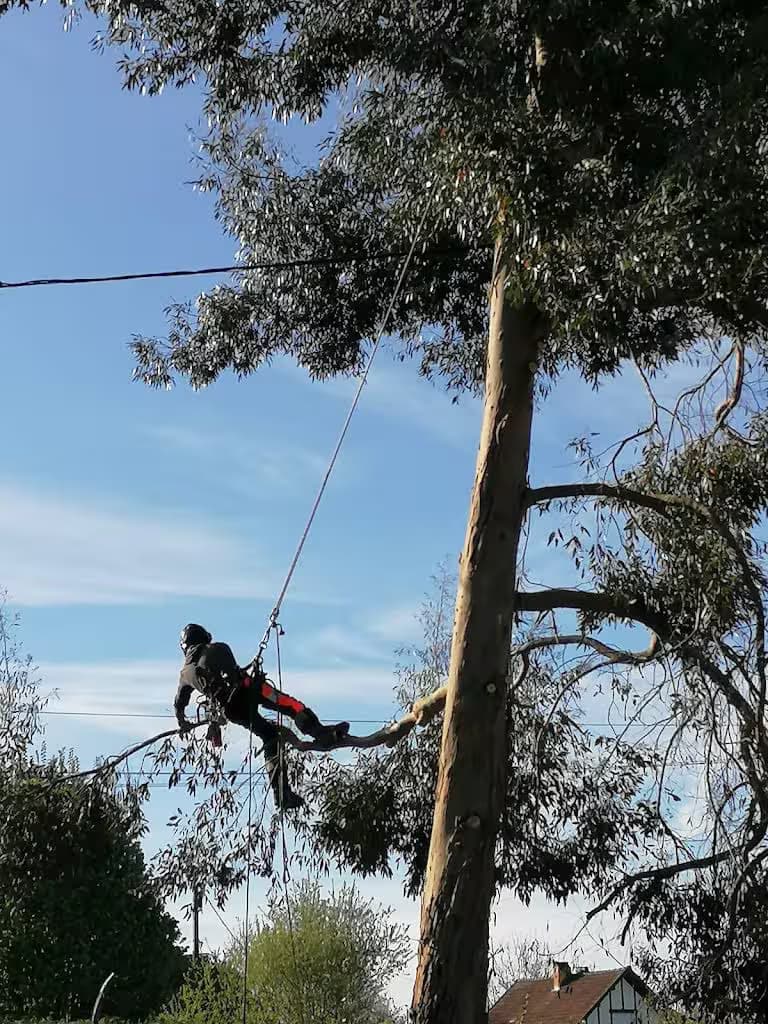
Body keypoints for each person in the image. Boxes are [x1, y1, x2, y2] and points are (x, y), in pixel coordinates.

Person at [174, 623, 349, 810]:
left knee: (270, 736)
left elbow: (179, 703)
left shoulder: (185, 673)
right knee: (291, 706)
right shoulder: (218, 648)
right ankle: (321, 734)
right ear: (204, 637)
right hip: (249, 690)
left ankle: (281, 794)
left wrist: (183, 722)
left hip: (232, 710)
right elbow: (233, 672)